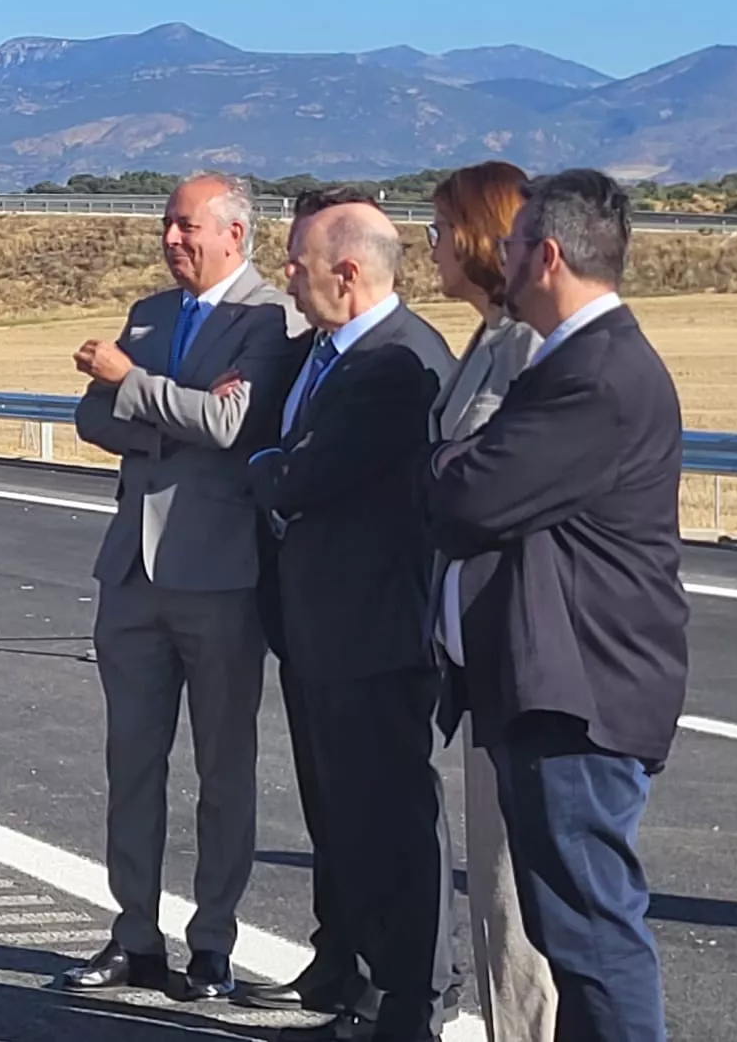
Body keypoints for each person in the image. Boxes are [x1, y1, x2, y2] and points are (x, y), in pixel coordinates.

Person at [427, 169, 688, 1042]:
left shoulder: (595, 374)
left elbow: (467, 497)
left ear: (545, 255)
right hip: (556, 683)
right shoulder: (572, 361)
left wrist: (438, 464)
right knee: (567, 929)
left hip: (581, 689)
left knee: (590, 932)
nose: (498, 259)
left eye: (510, 245)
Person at [63, 172, 307, 1001]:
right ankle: (134, 934)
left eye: (186, 226)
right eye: (167, 225)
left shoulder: (269, 317)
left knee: (222, 770)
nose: (172, 239)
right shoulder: (153, 313)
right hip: (131, 570)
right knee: (130, 763)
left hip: (219, 576)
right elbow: (89, 419)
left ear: (235, 234)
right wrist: (170, 415)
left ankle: (212, 941)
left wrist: (132, 384)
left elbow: (233, 425)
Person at [245, 199, 457, 1042]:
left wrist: (274, 468)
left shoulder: (397, 362)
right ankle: (362, 986)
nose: (286, 274)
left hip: (374, 628)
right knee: (346, 816)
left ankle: (412, 1003)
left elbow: (303, 475)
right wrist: (280, 464)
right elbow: (287, 457)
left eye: (297, 262)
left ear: (348, 271)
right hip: (320, 624)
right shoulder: (333, 355)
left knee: (394, 819)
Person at [424, 162, 555, 1041]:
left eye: (440, 230)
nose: (429, 246)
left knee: (518, 887)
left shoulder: (529, 349)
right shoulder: (486, 339)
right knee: (494, 884)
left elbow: (496, 483)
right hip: (471, 648)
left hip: (516, 644)